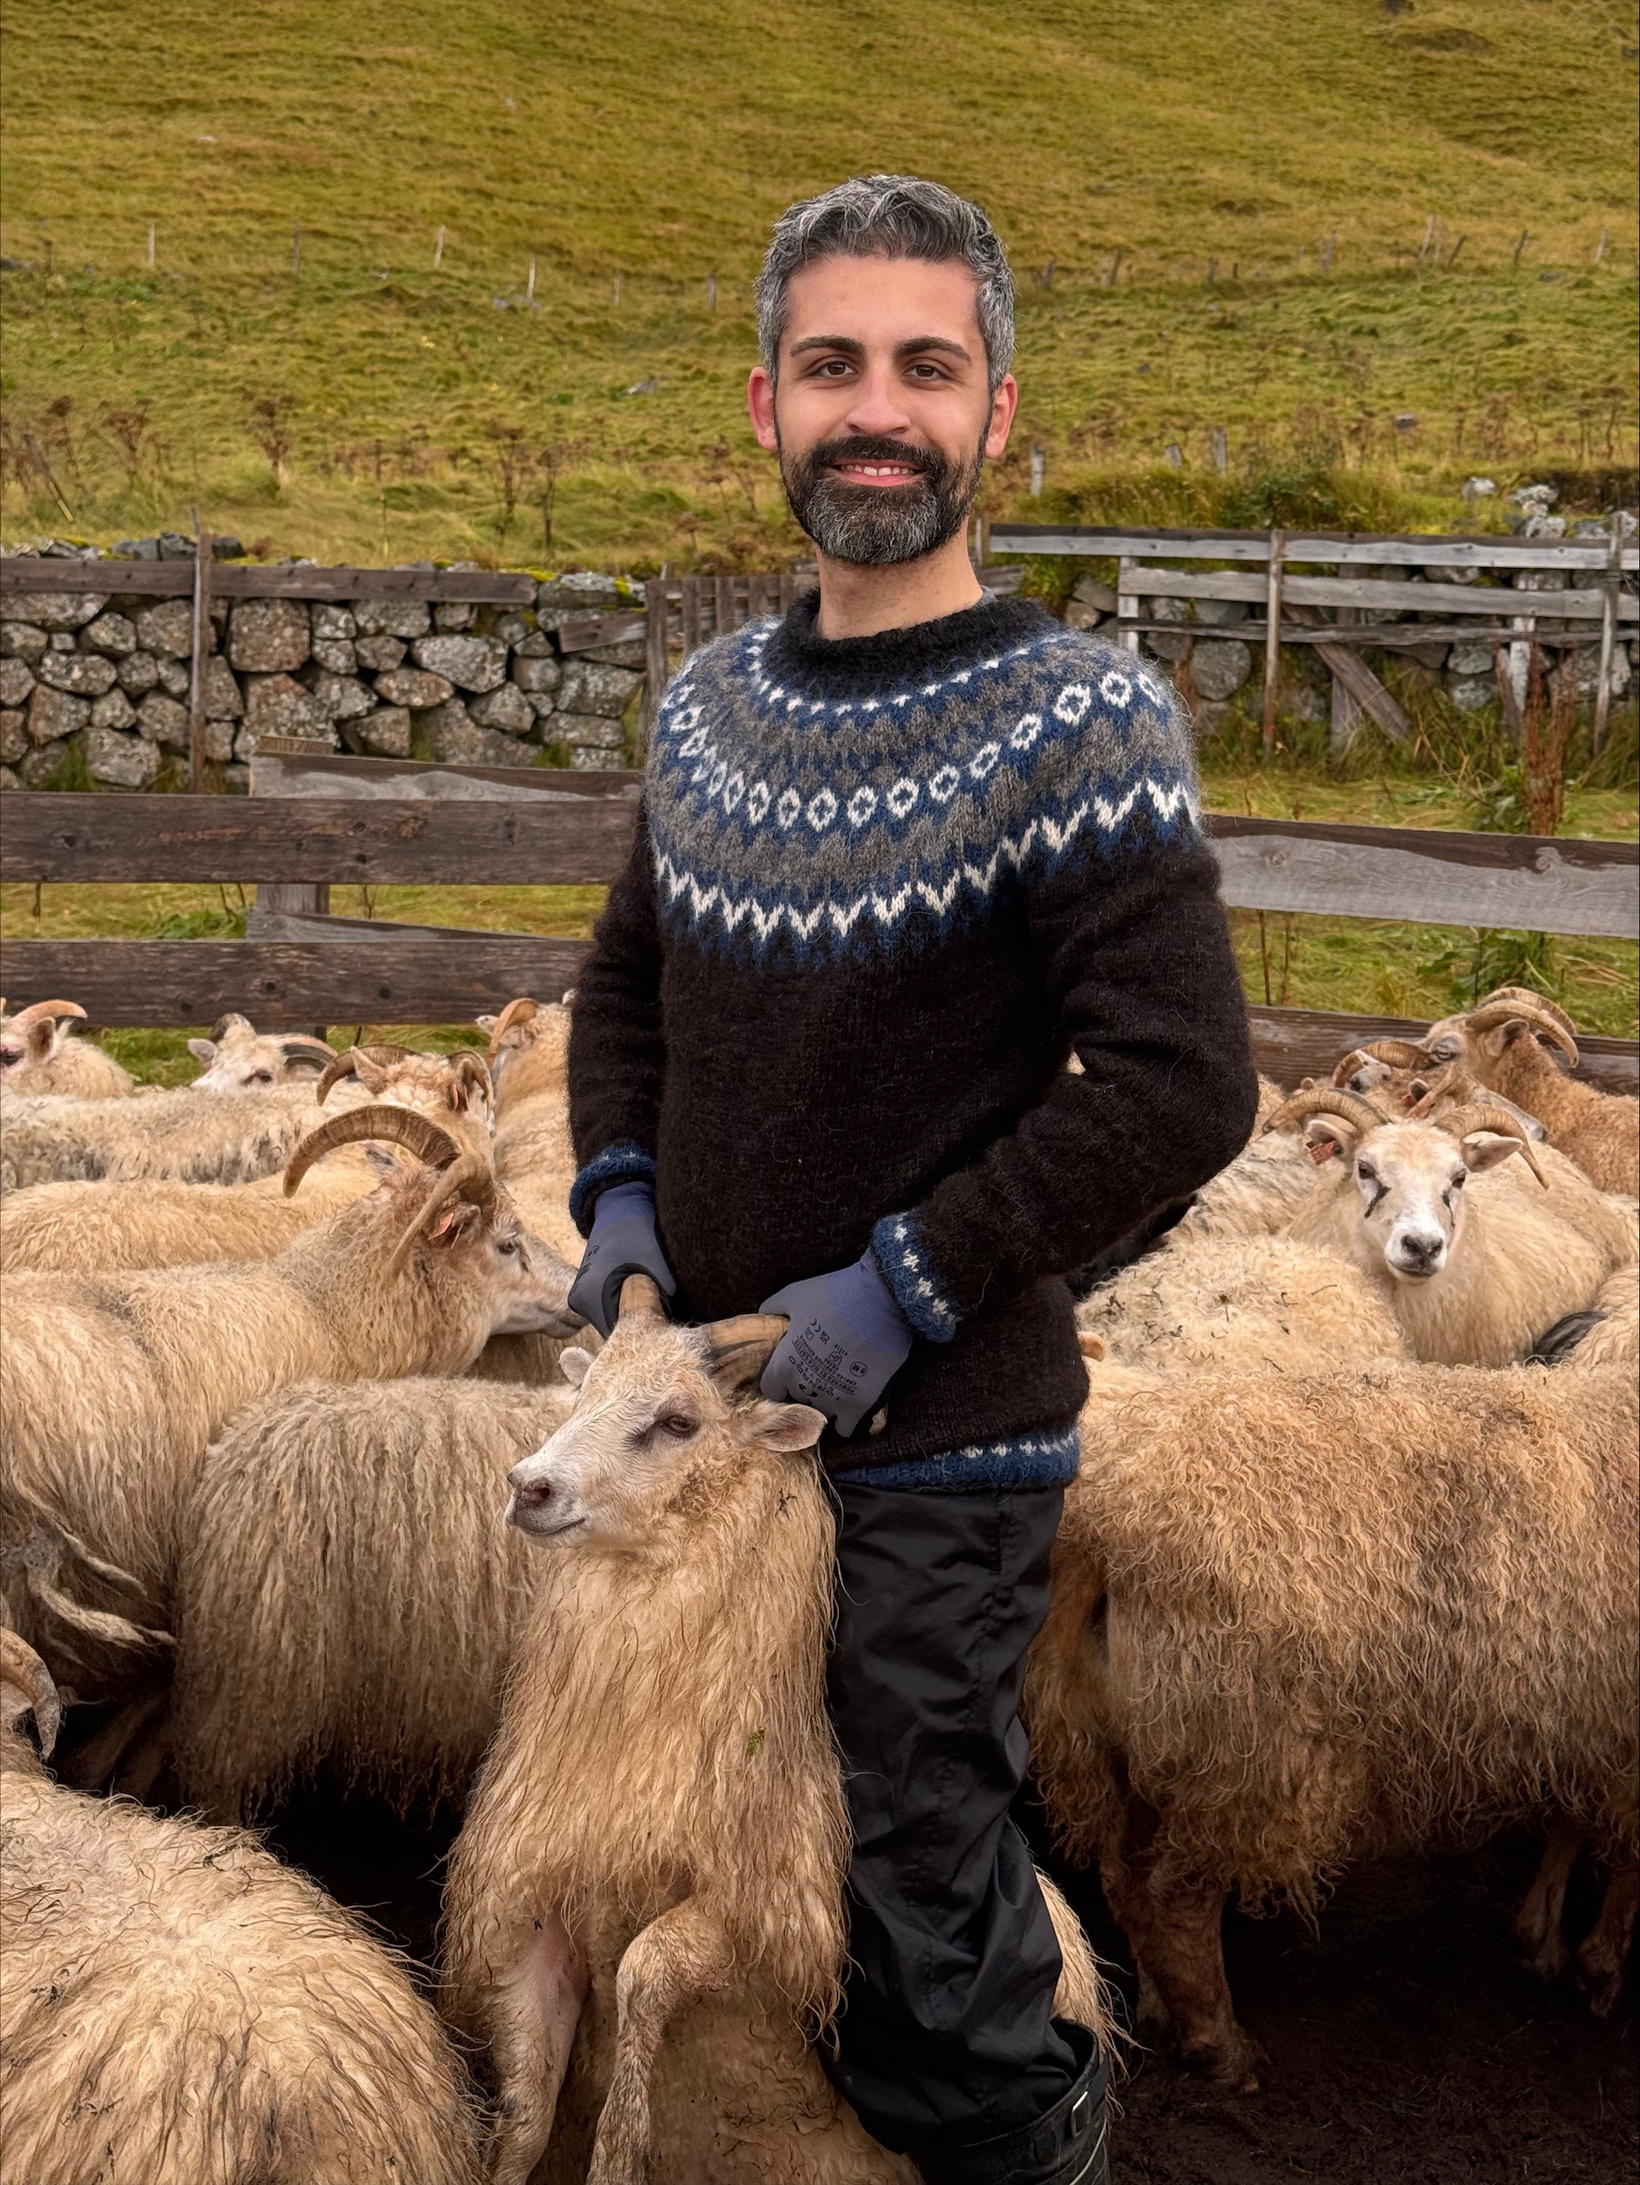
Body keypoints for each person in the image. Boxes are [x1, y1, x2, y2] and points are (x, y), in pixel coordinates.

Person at [566, 174, 1256, 2185]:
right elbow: (625, 978)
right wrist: (619, 1211)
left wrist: (902, 1293)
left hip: (933, 1455)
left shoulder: (1072, 722)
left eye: (924, 368)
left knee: (904, 1879)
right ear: (761, 406)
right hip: (697, 1432)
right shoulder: (708, 713)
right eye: (834, 364)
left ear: (995, 414)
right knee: (714, 1863)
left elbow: (1178, 1081)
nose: (879, 408)